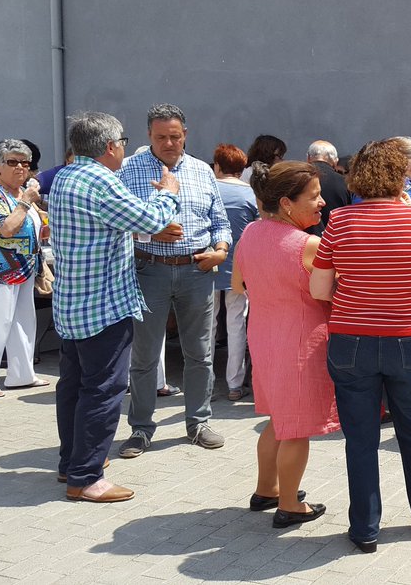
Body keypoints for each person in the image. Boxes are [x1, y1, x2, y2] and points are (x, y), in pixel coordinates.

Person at [310, 139, 411, 553]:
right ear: (398, 175)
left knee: (361, 437)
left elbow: (320, 287)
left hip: (352, 338)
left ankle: (366, 527)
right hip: (408, 336)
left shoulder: (340, 221)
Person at [50, 111, 180, 502]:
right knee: (103, 389)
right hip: (102, 305)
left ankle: (72, 462)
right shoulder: (101, 181)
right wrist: (168, 191)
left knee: (73, 385)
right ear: (110, 146)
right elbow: (151, 217)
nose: (124, 147)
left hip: (73, 302)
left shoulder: (67, 175)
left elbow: (121, 222)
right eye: (123, 141)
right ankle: (86, 476)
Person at [117, 104, 232, 458]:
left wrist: (222, 250)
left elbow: (220, 221)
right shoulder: (128, 170)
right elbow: (117, 224)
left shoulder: (201, 171)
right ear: (148, 136)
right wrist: (150, 230)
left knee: (200, 353)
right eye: (161, 137)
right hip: (148, 269)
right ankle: (140, 428)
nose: (169, 143)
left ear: (186, 134)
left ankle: (198, 422)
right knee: (145, 354)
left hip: (197, 270)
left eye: (175, 137)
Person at [233, 161, 338, 528]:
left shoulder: (250, 232)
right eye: (314, 196)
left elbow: (237, 284)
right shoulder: (310, 245)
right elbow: (335, 292)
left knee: (279, 420)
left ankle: (267, 489)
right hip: (301, 341)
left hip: (264, 334)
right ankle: (290, 504)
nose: (323, 202)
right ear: (287, 203)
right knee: (296, 427)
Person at [0, 140, 49, 397]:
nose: (20, 168)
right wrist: (26, 202)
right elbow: (6, 228)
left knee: (24, 322)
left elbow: (32, 227)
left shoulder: (20, 192)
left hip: (24, 266)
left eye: (24, 163)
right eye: (12, 162)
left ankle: (21, 375)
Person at [212, 145, 259, 402]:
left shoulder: (207, 188)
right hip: (240, 269)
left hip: (207, 265)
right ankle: (234, 384)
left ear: (217, 166)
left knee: (205, 328)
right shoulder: (251, 194)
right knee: (237, 324)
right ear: (242, 169)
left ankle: (205, 384)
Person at [305, 139, 350, 233]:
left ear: (308, 158)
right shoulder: (345, 182)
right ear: (335, 161)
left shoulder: (297, 179)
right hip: (336, 238)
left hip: (304, 239)